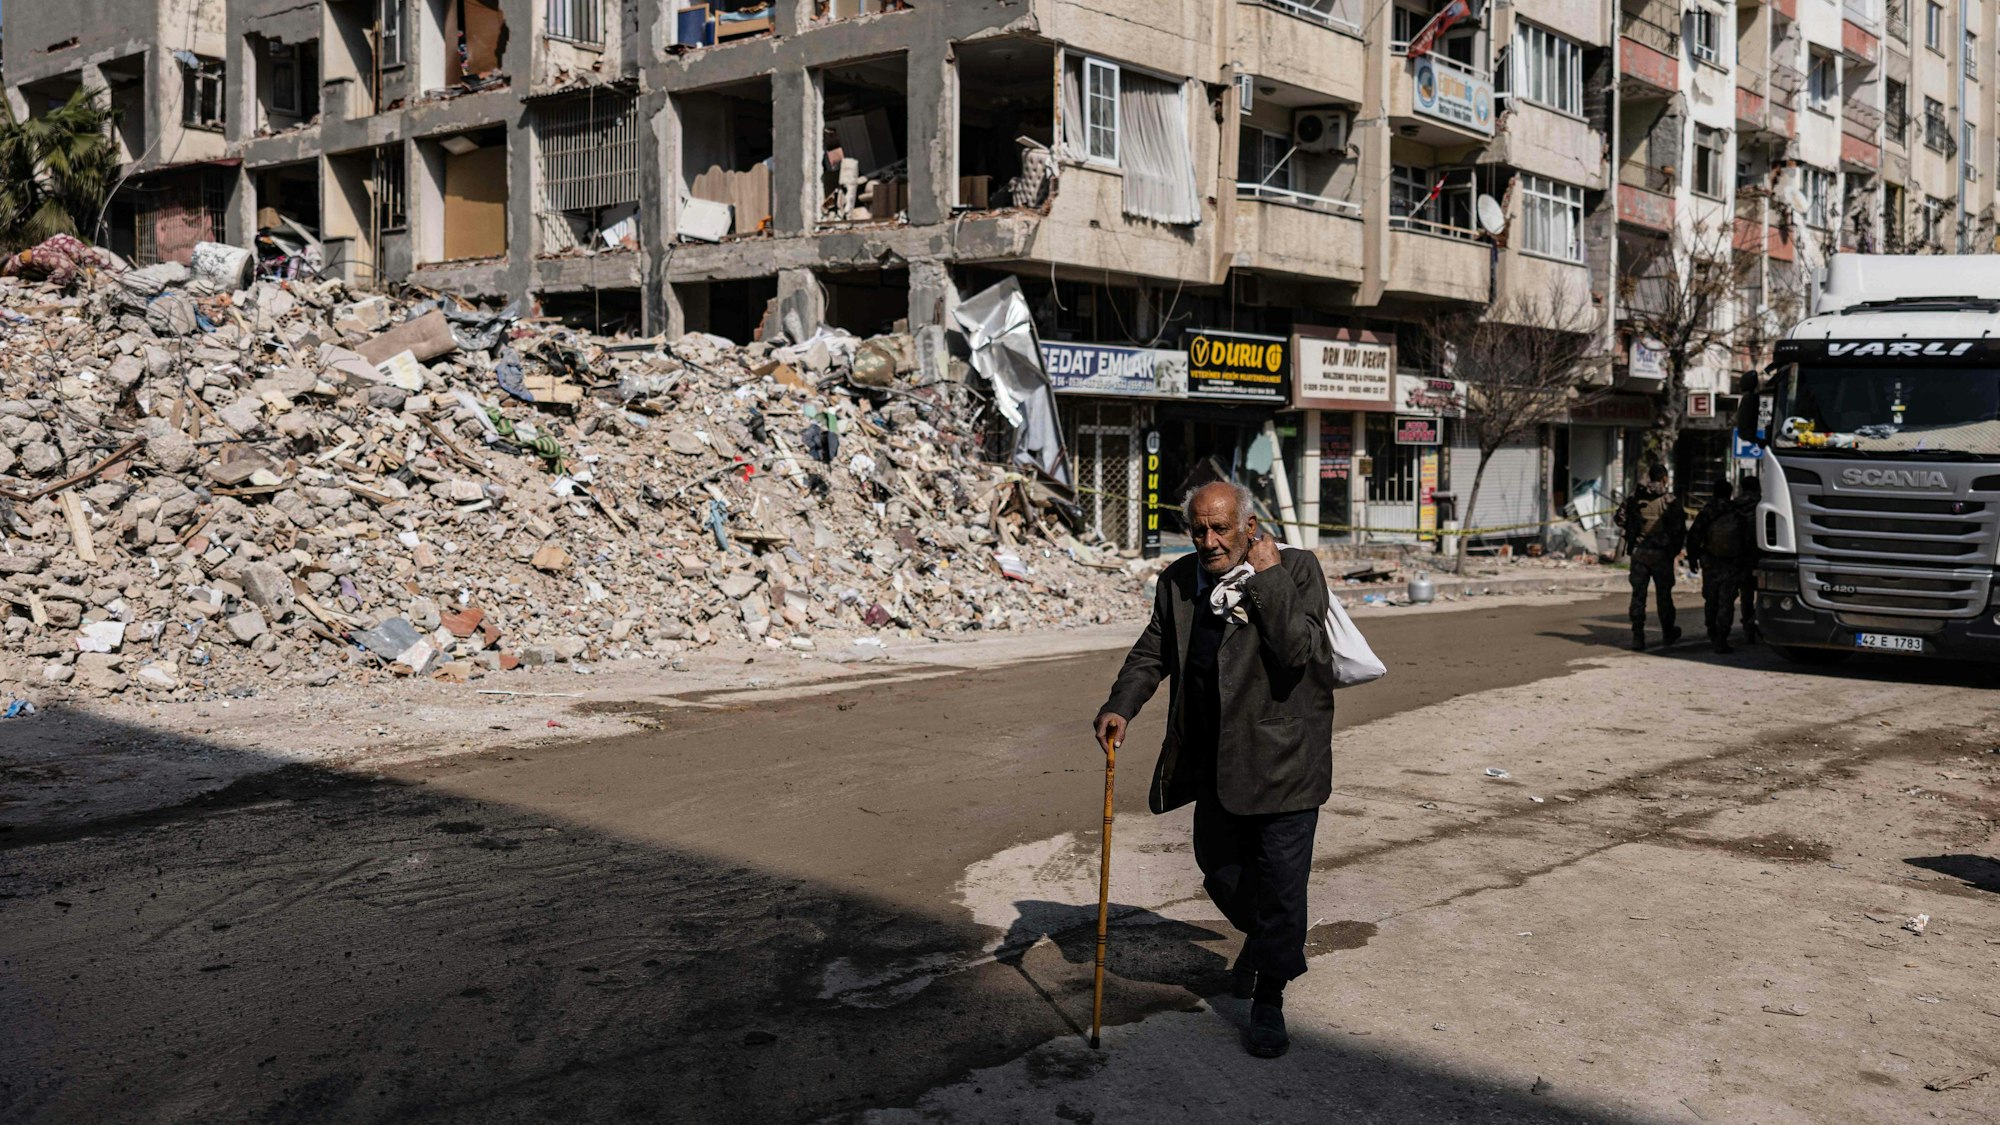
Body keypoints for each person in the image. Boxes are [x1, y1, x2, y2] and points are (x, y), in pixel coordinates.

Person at [1092, 482, 1335, 1060]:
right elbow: (1153, 650)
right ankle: (1269, 938)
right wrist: (1120, 704)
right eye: (1199, 529)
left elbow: (1296, 651)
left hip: (1285, 762)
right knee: (1220, 870)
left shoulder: (1297, 569)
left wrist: (1268, 575)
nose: (1209, 541)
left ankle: (1270, 997)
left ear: (1249, 526)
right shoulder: (1179, 581)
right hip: (1215, 763)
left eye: (1222, 528)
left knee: (1281, 884)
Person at [1616, 463, 1686, 652]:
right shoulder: (1670, 500)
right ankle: (1668, 633)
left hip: (1639, 554)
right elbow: (1680, 530)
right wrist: (1673, 550)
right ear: (1664, 478)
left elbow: (1620, 519)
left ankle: (1638, 637)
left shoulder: (1635, 497)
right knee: (1664, 596)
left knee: (1638, 596)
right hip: (1662, 555)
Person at [1686, 478, 1750, 653]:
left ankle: (1712, 631)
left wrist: (1692, 559)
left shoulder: (1707, 511)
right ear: (1730, 493)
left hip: (1711, 562)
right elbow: (1746, 540)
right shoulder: (1736, 512)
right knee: (1727, 601)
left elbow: (1694, 535)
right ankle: (1722, 638)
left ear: (1714, 493)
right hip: (1731, 563)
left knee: (1711, 598)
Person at [1736, 476, 1763, 645]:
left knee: (1745, 595)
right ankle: (1757, 623)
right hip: (1761, 557)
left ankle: (1748, 629)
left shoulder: (1734, 505)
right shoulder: (1762, 504)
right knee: (1762, 594)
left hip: (1739, 558)